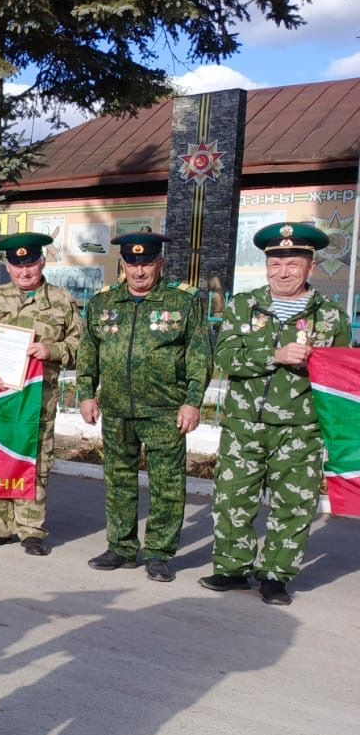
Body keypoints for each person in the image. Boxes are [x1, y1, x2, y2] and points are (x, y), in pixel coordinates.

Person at [200, 222, 352, 605]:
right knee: (233, 499)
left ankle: (275, 576)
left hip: (300, 429)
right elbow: (225, 358)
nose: (283, 271)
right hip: (244, 425)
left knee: (293, 505)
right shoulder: (243, 306)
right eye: (275, 263)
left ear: (310, 267)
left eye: (293, 264)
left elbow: (337, 383)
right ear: (266, 266)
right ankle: (232, 569)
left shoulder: (331, 318)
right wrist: (275, 355)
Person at [75, 233, 211, 582]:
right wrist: (86, 394)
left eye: (147, 263)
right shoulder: (102, 303)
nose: (139, 271)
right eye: (132, 264)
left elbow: (199, 356)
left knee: (167, 484)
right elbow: (89, 352)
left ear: (159, 264)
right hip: (117, 409)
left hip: (165, 410)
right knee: (118, 481)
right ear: (122, 265)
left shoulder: (183, 301)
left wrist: (192, 402)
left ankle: (159, 553)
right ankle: (120, 547)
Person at [0, 232, 84, 556]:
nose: (24, 271)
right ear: (8, 267)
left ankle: (31, 530)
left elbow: (84, 347)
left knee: (35, 461)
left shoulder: (61, 301)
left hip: (38, 402)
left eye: (31, 264)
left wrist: (52, 349)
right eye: (17, 265)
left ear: (41, 262)